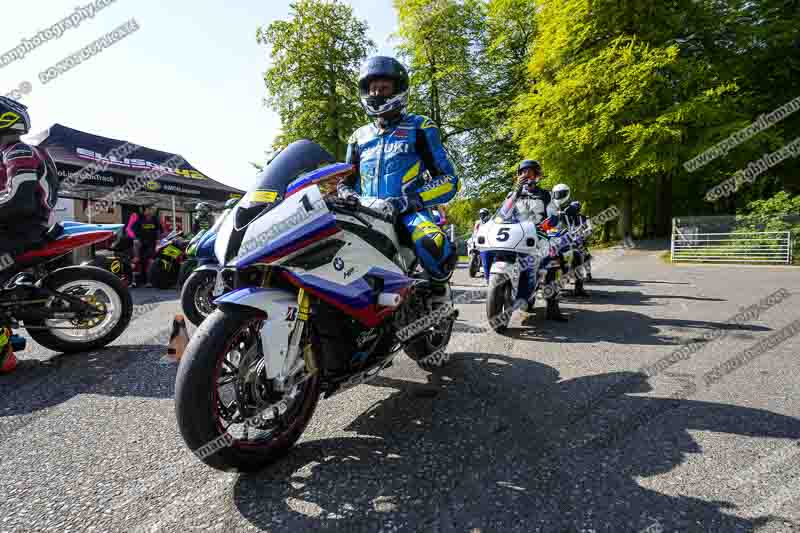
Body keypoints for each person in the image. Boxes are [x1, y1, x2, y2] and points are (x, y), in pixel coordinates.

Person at [337, 56, 460, 303]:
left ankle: (438, 296)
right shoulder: (358, 137)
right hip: (363, 212)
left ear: (399, 90)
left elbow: (448, 180)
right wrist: (346, 194)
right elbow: (343, 181)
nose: (376, 93)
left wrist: (409, 201)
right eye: (372, 89)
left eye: (383, 88)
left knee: (431, 244)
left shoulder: (420, 126)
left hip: (406, 211)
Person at [0, 96, 60, 373]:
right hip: (17, 227)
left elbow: (19, 200)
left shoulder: (17, 151)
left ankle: (3, 353)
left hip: (26, 229)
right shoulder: (11, 152)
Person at [494, 159, 567, 321]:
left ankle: (553, 307)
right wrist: (516, 191)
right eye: (522, 172)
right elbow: (502, 215)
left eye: (530, 172)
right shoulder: (512, 195)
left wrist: (544, 226)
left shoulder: (545, 195)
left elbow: (554, 217)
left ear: (537, 175)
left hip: (538, 236)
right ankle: (499, 289)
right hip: (514, 237)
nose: (526, 175)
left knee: (551, 263)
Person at [550, 183, 589, 298]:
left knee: (578, 255)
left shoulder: (571, 208)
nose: (558, 196)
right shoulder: (549, 205)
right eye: (556, 193)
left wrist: (578, 233)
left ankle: (579, 287)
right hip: (549, 236)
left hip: (565, 237)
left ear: (567, 193)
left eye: (561, 194)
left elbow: (577, 222)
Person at [125, 204, 160, 288]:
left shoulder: (155, 219)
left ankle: (149, 281)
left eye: (153, 209)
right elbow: (130, 230)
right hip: (140, 244)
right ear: (146, 210)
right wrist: (136, 239)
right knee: (136, 261)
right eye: (151, 209)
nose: (153, 211)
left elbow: (158, 230)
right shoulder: (139, 218)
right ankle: (133, 282)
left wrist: (158, 240)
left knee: (150, 262)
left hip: (151, 244)